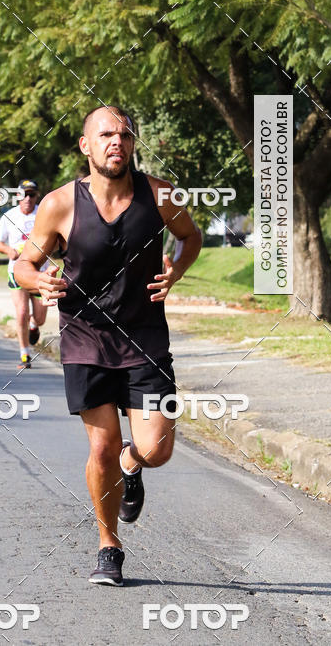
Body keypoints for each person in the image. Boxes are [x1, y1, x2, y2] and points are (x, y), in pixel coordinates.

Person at [14, 106, 202, 586]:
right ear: (86, 146)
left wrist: (175, 272)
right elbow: (22, 264)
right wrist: (37, 280)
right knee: (102, 446)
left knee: (156, 449)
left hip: (145, 341)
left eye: (123, 135)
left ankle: (131, 465)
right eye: (105, 135)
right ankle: (108, 545)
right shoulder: (60, 204)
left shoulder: (160, 196)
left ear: (132, 143)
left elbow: (190, 237)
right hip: (85, 340)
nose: (115, 142)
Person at [0, 179, 48, 369]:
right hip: (16, 270)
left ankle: (34, 325)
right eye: (24, 194)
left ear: (36, 196)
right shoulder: (9, 216)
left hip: (40, 271)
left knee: (40, 318)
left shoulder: (44, 213)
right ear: (18, 196)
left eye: (32, 194)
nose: (28, 199)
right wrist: (9, 251)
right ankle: (25, 354)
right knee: (21, 312)